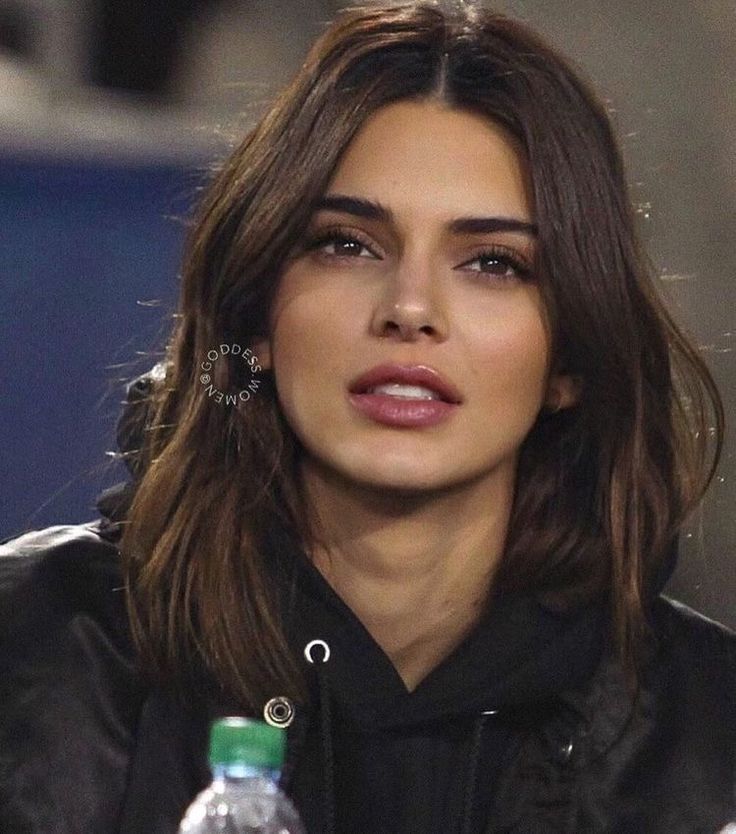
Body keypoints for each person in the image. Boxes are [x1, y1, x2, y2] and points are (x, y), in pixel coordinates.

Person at [1, 2, 734, 832]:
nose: (411, 308)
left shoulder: (708, 745)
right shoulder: (31, 649)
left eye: (494, 263)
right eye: (348, 244)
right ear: (255, 317)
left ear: (569, 360)